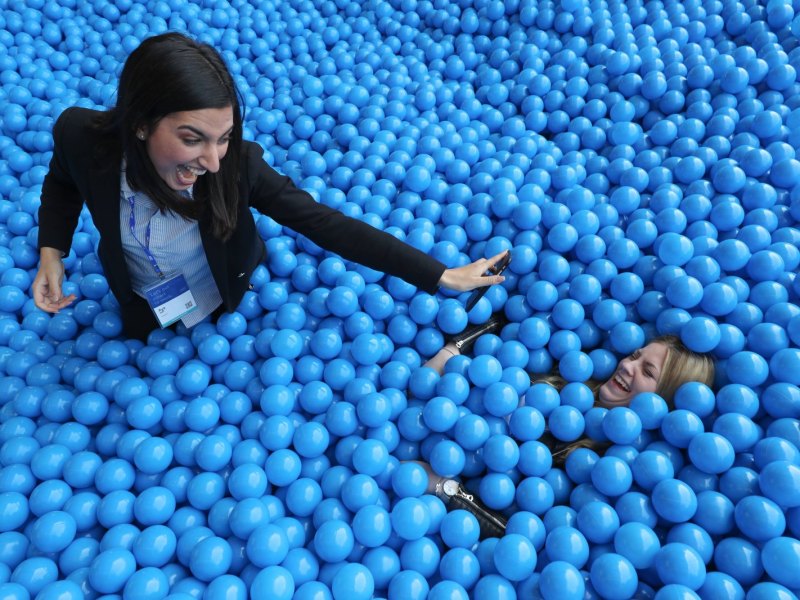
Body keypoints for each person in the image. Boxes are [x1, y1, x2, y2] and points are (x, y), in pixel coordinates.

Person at [32, 33, 506, 340]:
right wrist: (52, 252)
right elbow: (61, 183)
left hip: (221, 292)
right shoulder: (81, 136)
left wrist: (439, 274)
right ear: (139, 124)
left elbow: (325, 224)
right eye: (191, 139)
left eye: (224, 138)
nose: (212, 162)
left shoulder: (237, 168)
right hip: (142, 305)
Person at [419, 325, 716, 538]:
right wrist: (452, 349)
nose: (627, 365)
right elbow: (498, 323)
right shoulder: (570, 378)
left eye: (647, 372)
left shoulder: (602, 463)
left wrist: (446, 489)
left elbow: (527, 536)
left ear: (663, 400)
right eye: (635, 356)